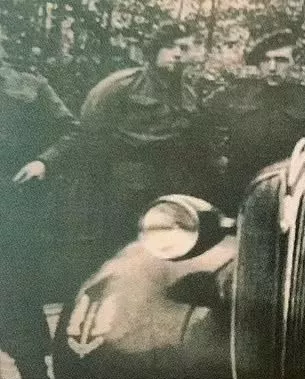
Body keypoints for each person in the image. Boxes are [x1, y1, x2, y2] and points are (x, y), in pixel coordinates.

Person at [18, 22, 211, 255]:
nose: (178, 53)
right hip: (123, 191)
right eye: (170, 47)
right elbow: (86, 135)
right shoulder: (120, 85)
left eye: (184, 48)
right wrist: (46, 162)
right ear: (154, 50)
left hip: (171, 193)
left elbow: (197, 146)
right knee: (119, 259)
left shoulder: (189, 94)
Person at [0, 38, 81, 379]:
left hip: (16, 206)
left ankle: (34, 376)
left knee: (17, 292)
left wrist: (42, 162)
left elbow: (73, 132)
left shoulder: (32, 87)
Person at [204, 28, 305, 215]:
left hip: (292, 194)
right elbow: (203, 122)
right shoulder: (237, 93)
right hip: (239, 192)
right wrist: (218, 158)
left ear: (295, 62)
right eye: (265, 60)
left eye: (280, 60)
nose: (271, 67)